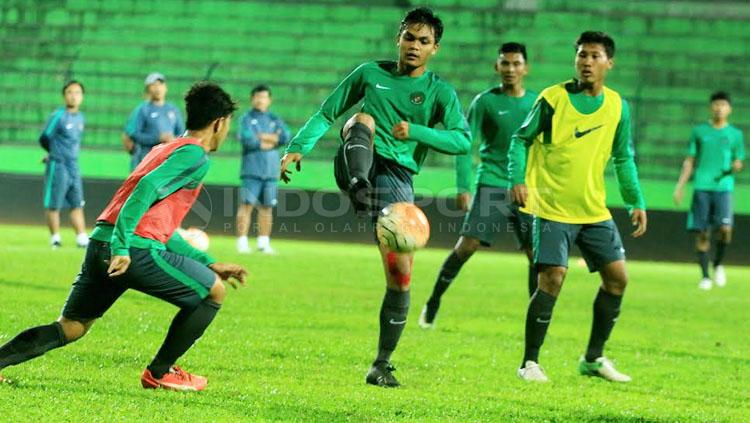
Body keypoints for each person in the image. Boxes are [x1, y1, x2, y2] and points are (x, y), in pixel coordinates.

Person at [0, 82, 247, 391]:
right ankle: (160, 372)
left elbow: (161, 226)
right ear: (220, 122)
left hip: (102, 242)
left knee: (72, 327)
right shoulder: (195, 156)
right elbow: (145, 191)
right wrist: (122, 246)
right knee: (215, 293)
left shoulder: (164, 148)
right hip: (130, 247)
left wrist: (207, 262)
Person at [279, 7, 470, 387]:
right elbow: (327, 112)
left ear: (436, 48)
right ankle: (359, 189)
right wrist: (297, 147)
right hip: (357, 163)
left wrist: (416, 131)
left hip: (398, 180)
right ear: (398, 38)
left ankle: (381, 364)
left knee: (401, 277)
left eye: (424, 41)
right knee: (360, 120)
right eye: (409, 37)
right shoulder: (370, 73)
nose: (414, 46)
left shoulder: (439, 92)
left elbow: (461, 140)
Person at [507, 31, 647, 383]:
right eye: (581, 55)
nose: (586, 61)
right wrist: (517, 179)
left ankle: (593, 358)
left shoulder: (617, 105)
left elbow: (623, 157)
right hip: (552, 207)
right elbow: (520, 139)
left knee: (617, 280)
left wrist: (634, 200)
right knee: (552, 278)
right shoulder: (553, 98)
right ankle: (529, 363)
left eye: (594, 56)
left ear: (609, 63)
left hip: (594, 210)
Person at [419, 42, 537, 329]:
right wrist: (464, 187)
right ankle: (433, 301)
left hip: (526, 188)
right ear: (496, 67)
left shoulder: (538, 103)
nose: (510, 69)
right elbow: (464, 145)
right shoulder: (484, 102)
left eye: (516, 63)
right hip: (492, 184)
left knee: (538, 255)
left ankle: (536, 319)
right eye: (505, 63)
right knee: (467, 246)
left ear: (526, 68)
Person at [673, 91, 745, 290]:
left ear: (729, 109)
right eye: (716, 104)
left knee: (725, 230)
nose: (719, 108)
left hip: (723, 188)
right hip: (702, 187)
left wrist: (737, 166)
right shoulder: (699, 131)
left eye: (723, 105)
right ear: (710, 107)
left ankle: (719, 264)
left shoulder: (736, 135)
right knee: (703, 232)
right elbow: (690, 160)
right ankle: (705, 276)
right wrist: (680, 186)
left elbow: (739, 159)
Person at [236, 84, 290, 254]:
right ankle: (242, 242)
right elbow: (247, 139)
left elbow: (286, 136)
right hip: (251, 170)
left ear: (269, 100)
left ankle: (263, 243)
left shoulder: (275, 118)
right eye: (258, 97)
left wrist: (262, 138)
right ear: (252, 99)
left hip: (270, 171)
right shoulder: (245, 118)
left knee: (267, 207)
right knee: (247, 205)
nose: (261, 100)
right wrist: (271, 140)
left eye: (264, 97)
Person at [39, 80, 89, 249]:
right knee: (54, 203)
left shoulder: (81, 118)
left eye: (77, 93)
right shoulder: (58, 116)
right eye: (70, 92)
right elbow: (44, 137)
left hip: (74, 166)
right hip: (58, 165)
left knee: (77, 202)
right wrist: (53, 153)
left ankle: (82, 238)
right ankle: (55, 238)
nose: (73, 96)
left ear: (82, 97)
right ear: (64, 95)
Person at [124, 72, 186, 169]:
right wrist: (157, 138)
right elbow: (133, 133)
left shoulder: (173, 109)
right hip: (145, 160)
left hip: (167, 160)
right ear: (148, 89)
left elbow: (181, 133)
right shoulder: (142, 109)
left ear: (166, 87)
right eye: (154, 85)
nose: (158, 88)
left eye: (160, 84)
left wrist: (173, 140)